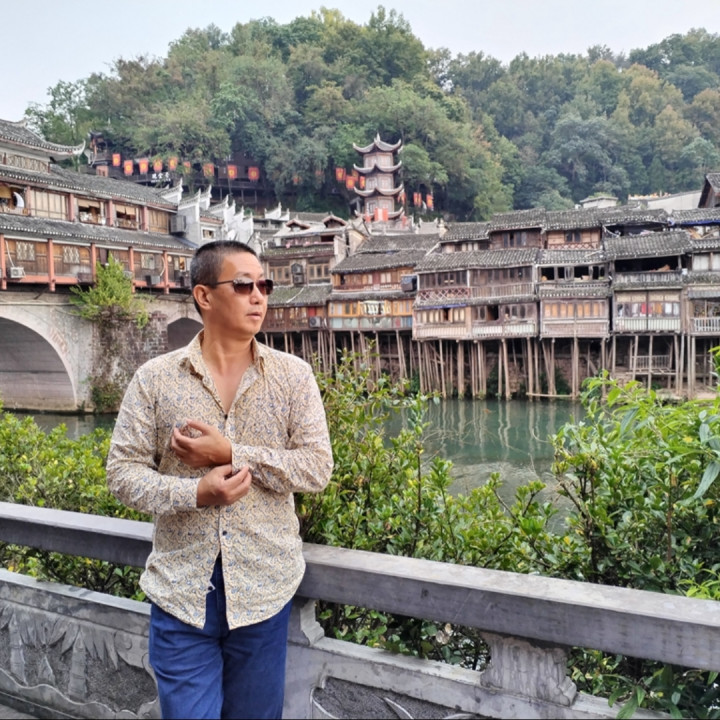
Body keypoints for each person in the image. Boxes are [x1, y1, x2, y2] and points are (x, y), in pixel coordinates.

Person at [106, 240, 333, 720]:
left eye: (264, 285)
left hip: (264, 589)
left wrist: (231, 453)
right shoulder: (155, 378)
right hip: (181, 591)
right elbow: (122, 474)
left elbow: (317, 467)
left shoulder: (293, 376)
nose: (259, 296)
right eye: (244, 285)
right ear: (204, 296)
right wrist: (195, 492)